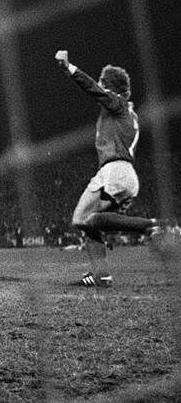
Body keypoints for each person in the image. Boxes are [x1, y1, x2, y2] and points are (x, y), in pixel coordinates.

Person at [54, 51, 167, 286]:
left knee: (79, 218)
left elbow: (94, 90)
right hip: (127, 176)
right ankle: (102, 274)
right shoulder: (129, 113)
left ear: (110, 87)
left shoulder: (118, 105)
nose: (99, 86)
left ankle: (148, 226)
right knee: (91, 221)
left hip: (114, 171)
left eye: (102, 82)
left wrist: (69, 67)